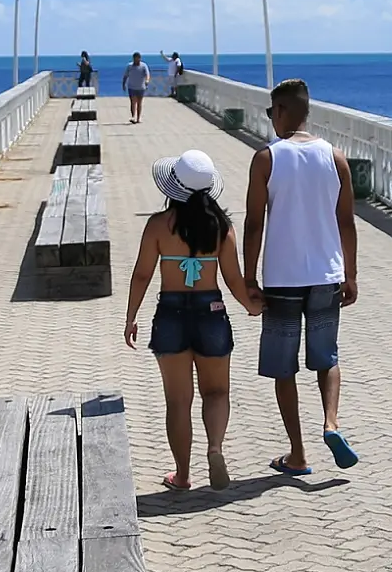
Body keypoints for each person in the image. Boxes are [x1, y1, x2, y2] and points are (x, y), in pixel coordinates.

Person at [243, 79, 360, 475]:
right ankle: (331, 423)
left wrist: (247, 278)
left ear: (280, 111)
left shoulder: (266, 158)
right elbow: (346, 222)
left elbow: (254, 223)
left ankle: (297, 454)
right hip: (327, 274)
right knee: (327, 357)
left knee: (283, 367)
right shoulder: (336, 157)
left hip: (282, 278)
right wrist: (351, 274)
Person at [125, 149, 260, 491]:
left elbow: (142, 274)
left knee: (178, 401)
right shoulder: (221, 227)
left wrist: (131, 317)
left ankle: (183, 475)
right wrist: (252, 306)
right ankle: (214, 447)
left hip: (170, 313)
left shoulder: (158, 225)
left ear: (173, 187)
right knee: (216, 392)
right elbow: (232, 278)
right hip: (211, 312)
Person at [123, 52, 151, 123]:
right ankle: (133, 116)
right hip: (131, 87)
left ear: (140, 58)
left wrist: (147, 80)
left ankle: (138, 118)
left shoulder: (144, 66)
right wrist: (123, 84)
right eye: (135, 59)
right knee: (133, 102)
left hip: (141, 87)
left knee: (139, 103)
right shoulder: (129, 66)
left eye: (137, 58)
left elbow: (147, 74)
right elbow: (125, 75)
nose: (136, 60)